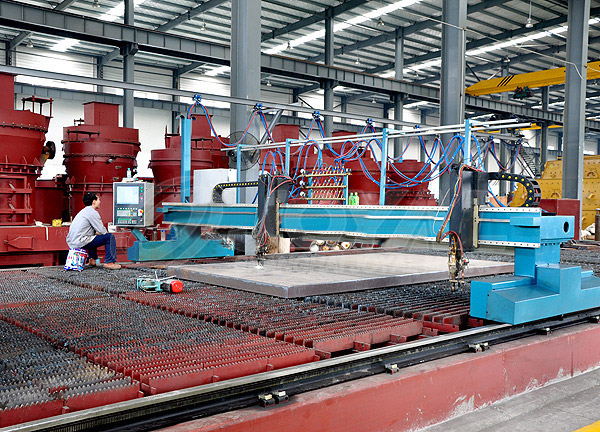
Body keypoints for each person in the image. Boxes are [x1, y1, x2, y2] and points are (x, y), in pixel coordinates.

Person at [66, 193, 121, 270]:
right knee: (109, 237)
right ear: (94, 201)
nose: (100, 202)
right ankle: (109, 262)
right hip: (80, 241)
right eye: (98, 199)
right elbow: (102, 231)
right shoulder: (92, 212)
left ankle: (92, 260)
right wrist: (108, 232)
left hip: (73, 241)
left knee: (92, 237)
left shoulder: (83, 211)